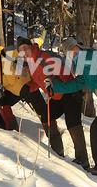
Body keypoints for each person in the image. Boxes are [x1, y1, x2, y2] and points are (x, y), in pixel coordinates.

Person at [48, 37, 97, 187]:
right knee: (96, 130)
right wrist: (55, 87)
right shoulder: (82, 64)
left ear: (78, 45)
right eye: (69, 52)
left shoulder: (91, 57)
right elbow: (78, 83)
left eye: (74, 48)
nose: (73, 52)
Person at [17, 36, 88, 166]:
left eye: (25, 48)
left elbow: (65, 72)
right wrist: (29, 87)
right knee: (46, 117)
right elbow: (39, 80)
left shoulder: (44, 57)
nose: (24, 52)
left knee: (72, 123)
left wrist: (61, 86)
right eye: (21, 51)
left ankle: (82, 160)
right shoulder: (31, 63)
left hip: (69, 92)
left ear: (31, 47)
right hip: (55, 96)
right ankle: (57, 152)